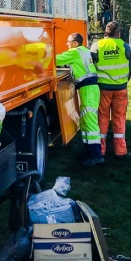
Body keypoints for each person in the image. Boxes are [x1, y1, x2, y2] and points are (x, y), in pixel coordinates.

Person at [56, 32, 103, 166]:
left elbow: (57, 59)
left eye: (68, 42)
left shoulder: (75, 52)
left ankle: (95, 155)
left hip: (88, 89)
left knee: (89, 121)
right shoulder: (84, 51)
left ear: (75, 43)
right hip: (90, 88)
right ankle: (90, 152)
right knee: (87, 120)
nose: (67, 44)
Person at [90, 21, 131, 159]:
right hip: (121, 88)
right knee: (119, 118)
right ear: (118, 33)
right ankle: (120, 151)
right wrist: (124, 81)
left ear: (106, 32)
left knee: (102, 118)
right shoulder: (124, 46)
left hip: (102, 88)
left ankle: (101, 150)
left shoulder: (97, 46)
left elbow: (90, 66)